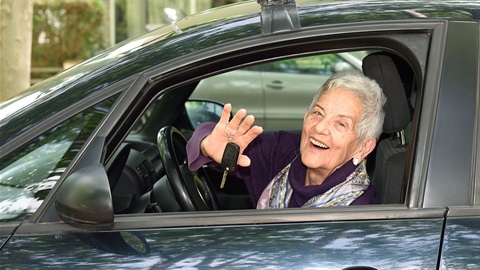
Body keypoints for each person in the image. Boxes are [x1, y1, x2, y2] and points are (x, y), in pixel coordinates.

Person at [187, 71, 386, 208]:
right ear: (306, 115)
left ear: (363, 147)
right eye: (318, 113)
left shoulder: (359, 211)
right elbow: (208, 137)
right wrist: (208, 145)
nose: (320, 127)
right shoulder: (284, 152)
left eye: (340, 124)